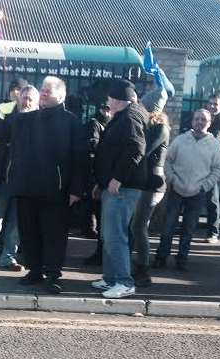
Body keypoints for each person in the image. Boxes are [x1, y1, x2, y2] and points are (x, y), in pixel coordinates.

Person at [0, 76, 88, 294]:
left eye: (48, 90)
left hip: (57, 190)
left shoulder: (71, 121)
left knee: (54, 236)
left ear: (61, 96)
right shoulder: (26, 119)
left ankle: (53, 275)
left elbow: (80, 158)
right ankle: (35, 271)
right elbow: (1, 130)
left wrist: (76, 189)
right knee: (29, 233)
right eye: (42, 89)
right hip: (26, 188)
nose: (43, 93)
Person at [91, 79, 148, 299]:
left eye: (109, 98)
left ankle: (124, 282)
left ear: (116, 100)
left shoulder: (130, 117)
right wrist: (103, 182)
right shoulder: (125, 116)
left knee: (115, 235)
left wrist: (117, 179)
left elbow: (137, 148)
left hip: (123, 188)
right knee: (109, 234)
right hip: (115, 186)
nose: (107, 101)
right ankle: (111, 278)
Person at [0, 84, 40, 273]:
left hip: (24, 185)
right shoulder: (13, 118)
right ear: (18, 99)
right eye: (24, 97)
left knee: (15, 224)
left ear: (36, 104)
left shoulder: (40, 122)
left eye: (30, 99)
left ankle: (8, 259)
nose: (26, 101)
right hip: (3, 180)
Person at [153, 109, 220, 270]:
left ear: (209, 123)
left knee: (188, 229)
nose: (200, 122)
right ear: (192, 121)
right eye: (197, 119)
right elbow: (168, 161)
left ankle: (182, 260)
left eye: (203, 120)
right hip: (176, 189)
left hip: (197, 192)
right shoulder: (180, 140)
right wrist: (171, 179)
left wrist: (204, 186)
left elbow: (218, 170)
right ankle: (161, 257)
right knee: (168, 226)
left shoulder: (214, 145)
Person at [129, 72, 173, 287]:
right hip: (147, 181)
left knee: (138, 226)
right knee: (137, 225)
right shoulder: (152, 126)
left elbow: (144, 152)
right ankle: (137, 265)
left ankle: (143, 268)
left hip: (152, 182)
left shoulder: (159, 128)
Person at [82, 104, 111, 266]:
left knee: (103, 219)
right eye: (104, 109)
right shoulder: (95, 123)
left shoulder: (112, 124)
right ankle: (100, 252)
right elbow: (93, 144)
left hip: (104, 177)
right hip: (97, 176)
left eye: (108, 109)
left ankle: (101, 253)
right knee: (99, 216)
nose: (106, 112)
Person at [204, 94, 220, 244]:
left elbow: (215, 137)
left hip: (214, 164)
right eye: (210, 103)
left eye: (215, 104)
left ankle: (213, 232)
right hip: (197, 162)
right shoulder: (203, 117)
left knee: (213, 198)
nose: (212, 106)